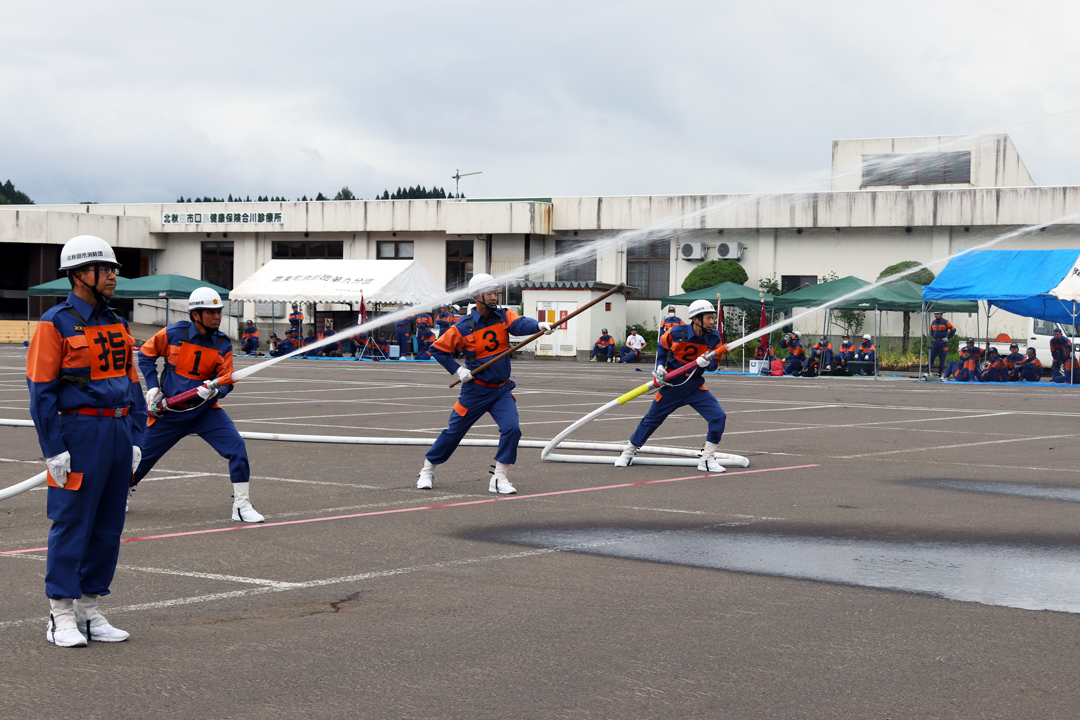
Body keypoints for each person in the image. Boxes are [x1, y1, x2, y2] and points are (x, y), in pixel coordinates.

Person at [27, 235, 146, 647]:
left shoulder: (118, 322)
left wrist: (135, 436)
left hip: (116, 432)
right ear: (80, 274)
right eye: (105, 269)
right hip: (78, 434)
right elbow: (40, 392)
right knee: (72, 522)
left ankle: (90, 609)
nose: (114, 276)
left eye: (112, 269)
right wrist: (53, 449)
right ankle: (60, 612)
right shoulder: (54, 323)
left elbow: (132, 382)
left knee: (109, 525)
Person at [134, 288, 264, 524]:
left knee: (236, 447)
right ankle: (120, 492)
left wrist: (215, 390)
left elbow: (228, 380)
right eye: (211, 312)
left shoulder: (223, 344)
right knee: (139, 461)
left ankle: (242, 505)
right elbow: (145, 355)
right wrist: (152, 387)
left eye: (219, 312)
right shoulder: (173, 334)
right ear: (196, 314)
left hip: (205, 412)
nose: (217, 316)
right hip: (169, 413)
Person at [416, 273, 552, 494]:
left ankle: (499, 477)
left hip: (501, 390)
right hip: (475, 391)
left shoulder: (503, 316)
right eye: (489, 293)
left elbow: (519, 324)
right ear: (476, 296)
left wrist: (538, 325)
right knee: (453, 432)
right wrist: (458, 370)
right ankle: (427, 469)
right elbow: (437, 349)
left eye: (495, 292)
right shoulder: (462, 327)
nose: (493, 297)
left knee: (512, 429)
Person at [615, 299, 729, 472]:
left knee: (718, 416)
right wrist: (659, 366)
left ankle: (706, 459)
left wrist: (707, 364)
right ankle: (628, 452)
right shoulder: (676, 332)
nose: (712, 321)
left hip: (695, 386)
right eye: (708, 318)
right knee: (651, 420)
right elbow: (662, 347)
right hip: (672, 385)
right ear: (696, 319)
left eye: (712, 317)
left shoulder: (714, 337)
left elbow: (715, 364)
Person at [929, 312, 957, 377]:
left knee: (942, 358)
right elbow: (932, 331)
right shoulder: (933, 322)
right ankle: (928, 371)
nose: (937, 315)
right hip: (935, 342)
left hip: (943, 342)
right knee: (932, 357)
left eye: (938, 314)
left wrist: (948, 338)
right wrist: (934, 337)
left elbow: (953, 329)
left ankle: (939, 372)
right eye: (936, 314)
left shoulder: (946, 322)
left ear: (941, 314)